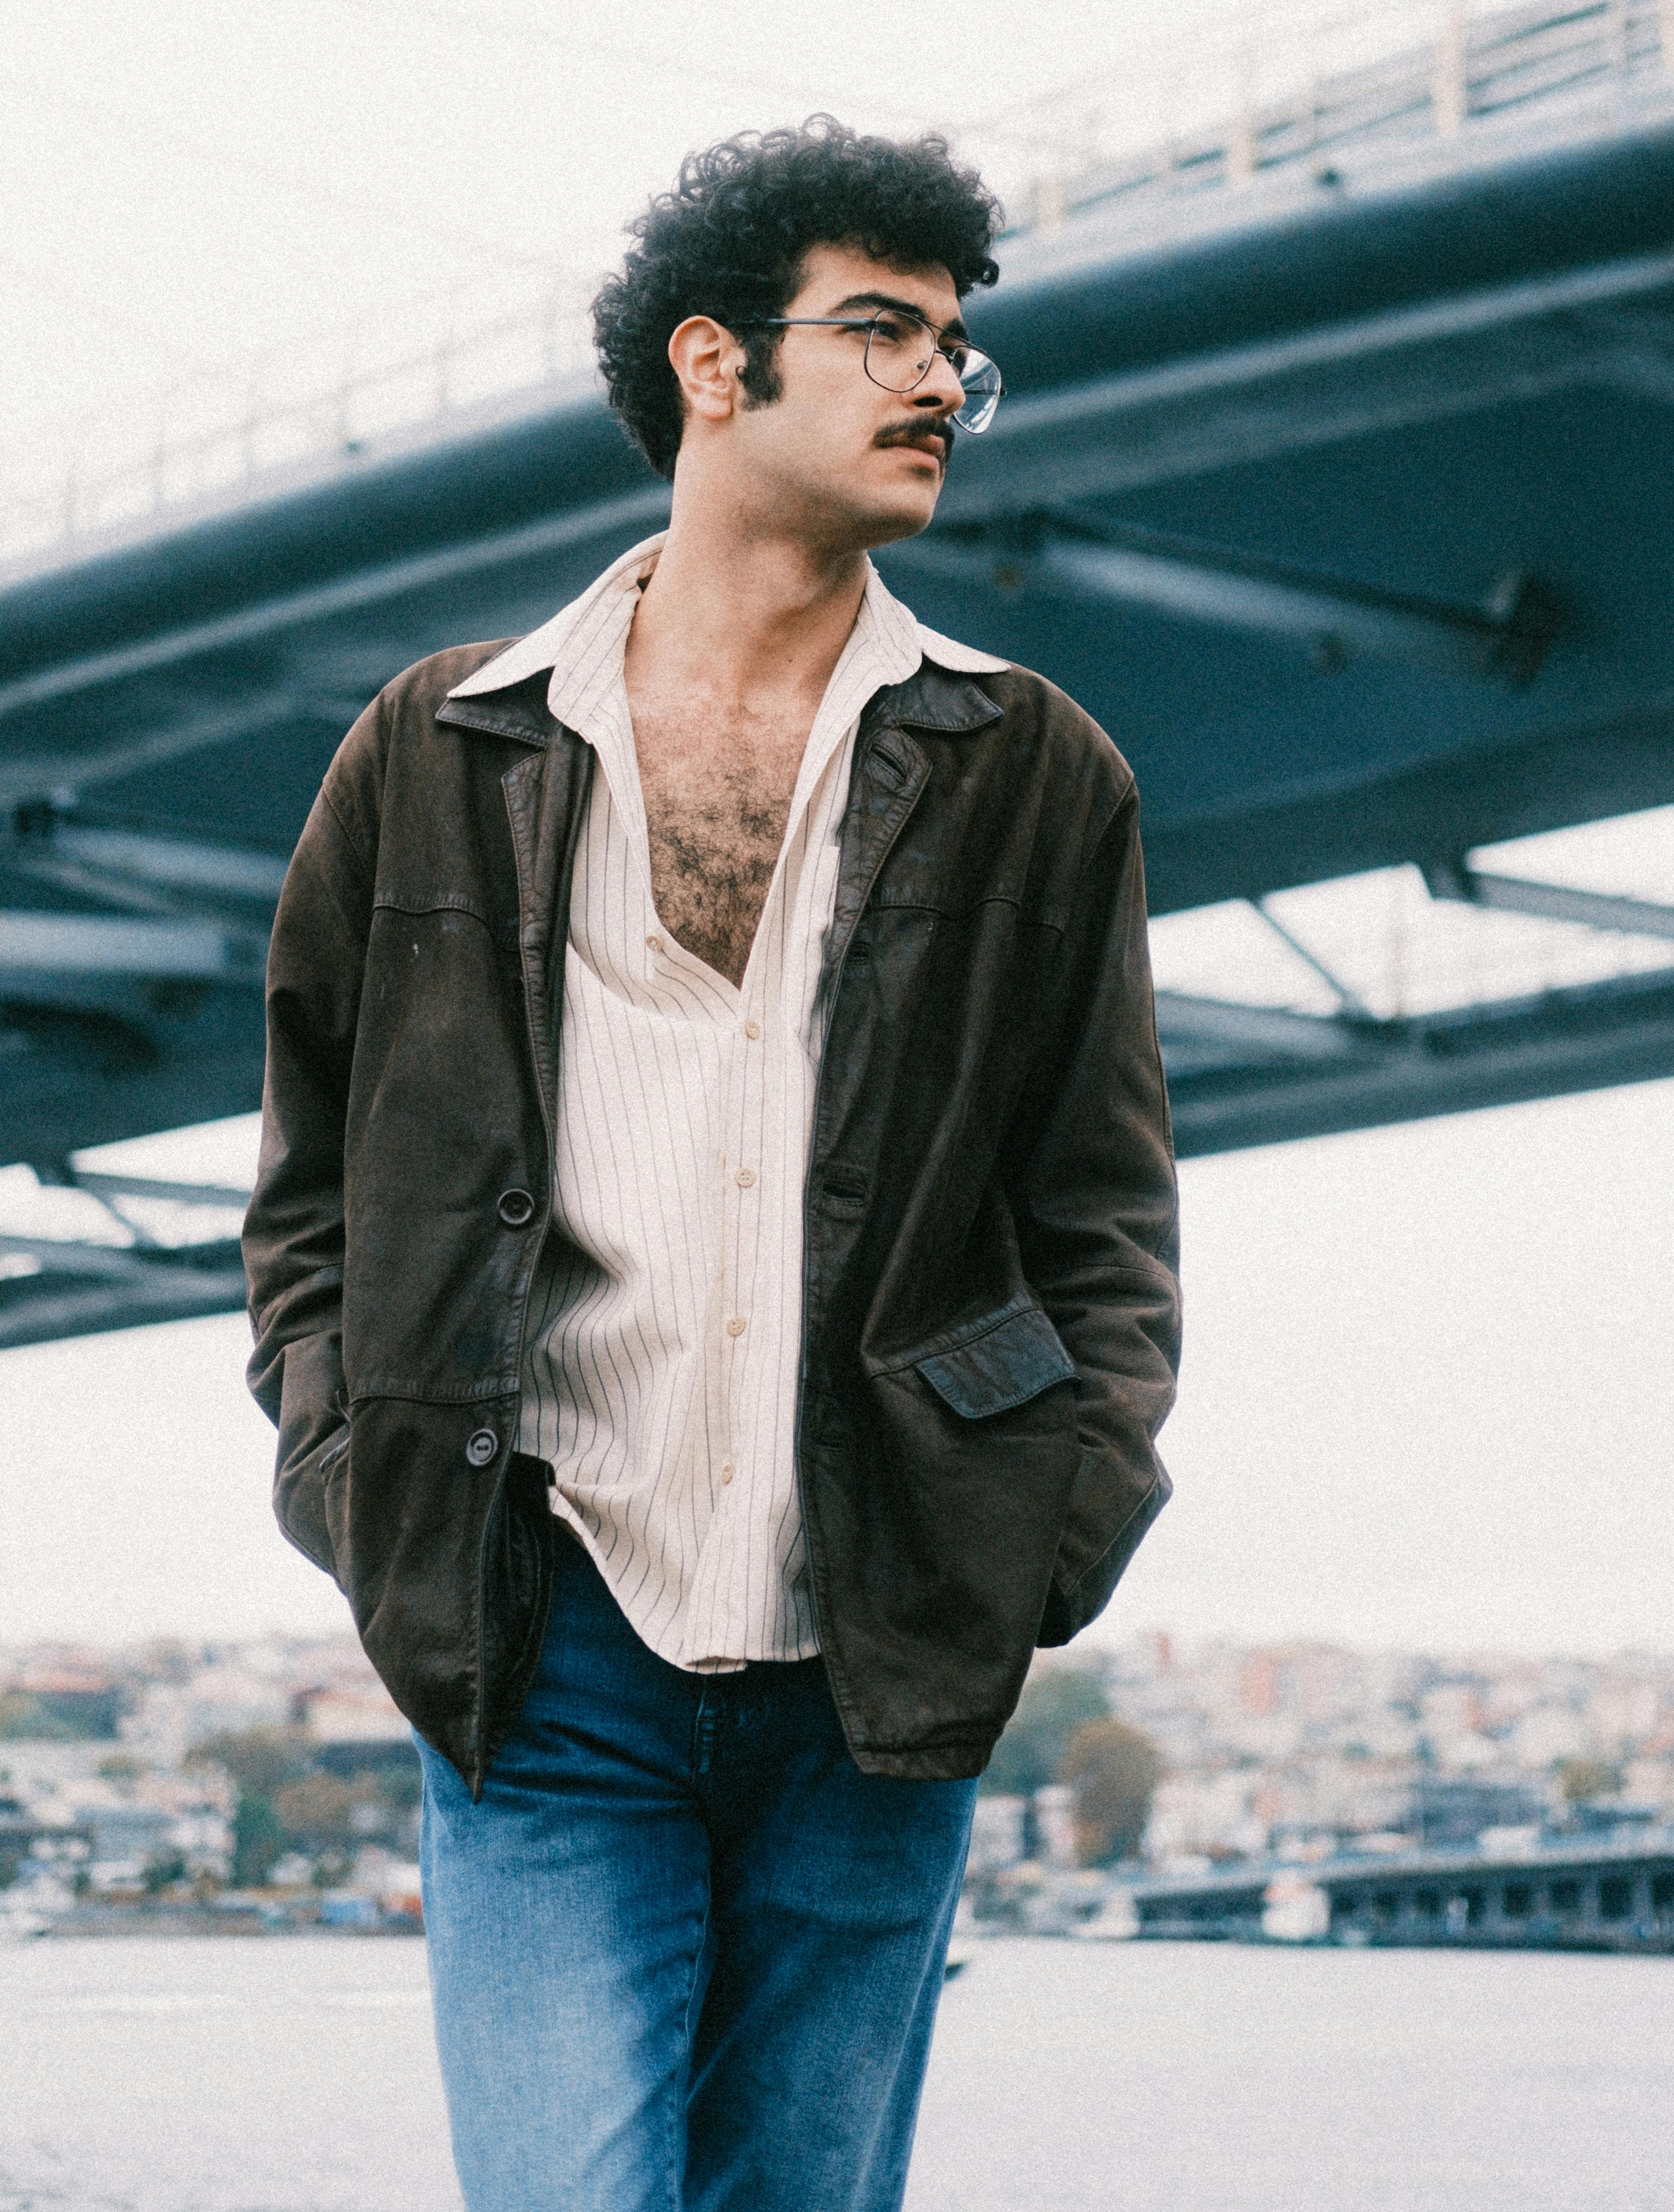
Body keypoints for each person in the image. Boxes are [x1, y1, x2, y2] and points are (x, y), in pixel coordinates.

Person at [243, 118, 1181, 2212]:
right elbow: (309, 1185)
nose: (940, 381)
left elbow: (1104, 1213)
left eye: (956, 345)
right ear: (710, 364)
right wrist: (353, 1473)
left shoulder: (1037, 772)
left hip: (888, 1654)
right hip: (547, 1640)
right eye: (878, 331)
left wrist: (1055, 1518)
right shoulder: (439, 749)